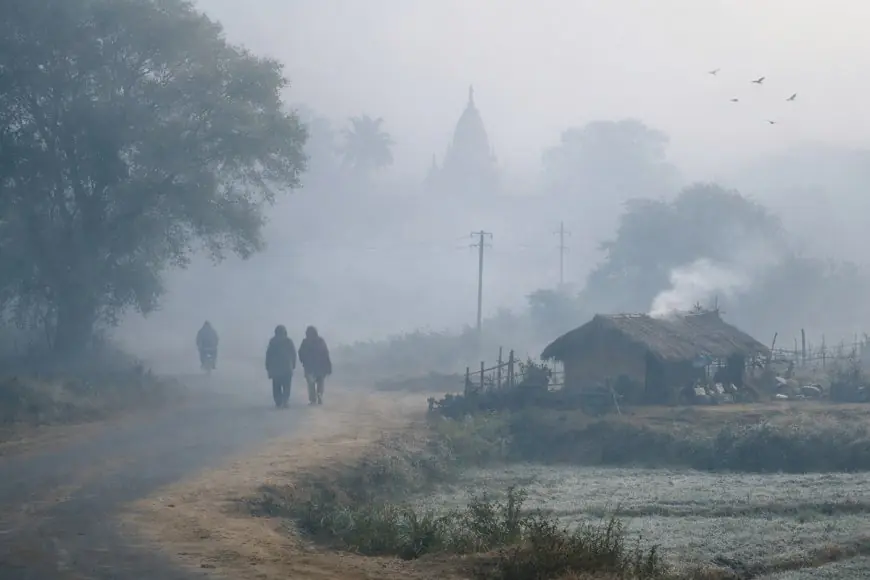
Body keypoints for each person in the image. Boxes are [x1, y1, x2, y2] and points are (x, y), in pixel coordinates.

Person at [298, 325, 332, 405]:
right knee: (320, 382)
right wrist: (328, 365)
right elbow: (326, 353)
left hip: (309, 367)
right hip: (321, 366)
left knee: (311, 384)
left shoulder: (305, 342)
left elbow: (300, 353)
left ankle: (313, 400)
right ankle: (320, 394)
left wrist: (303, 362)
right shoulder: (320, 341)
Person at [265, 325, 296, 408]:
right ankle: (285, 401)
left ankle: (278, 401)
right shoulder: (288, 341)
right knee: (286, 386)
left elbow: (268, 355)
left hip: (276, 369)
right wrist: (293, 364)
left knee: (276, 386)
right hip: (286, 368)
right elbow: (293, 354)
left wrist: (268, 366)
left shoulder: (273, 341)